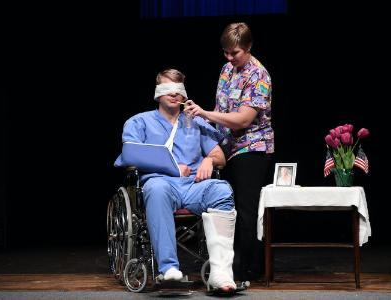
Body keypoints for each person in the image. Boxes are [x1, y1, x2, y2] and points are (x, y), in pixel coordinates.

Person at [114, 69, 237, 291]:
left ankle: (221, 272)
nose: (173, 94)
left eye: (178, 89)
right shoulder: (139, 122)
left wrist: (209, 160)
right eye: (167, 89)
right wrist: (170, 167)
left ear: (184, 94)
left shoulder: (196, 123)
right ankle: (169, 268)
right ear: (157, 93)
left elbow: (220, 156)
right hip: (160, 184)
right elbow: (131, 155)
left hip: (193, 187)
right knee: (158, 189)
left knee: (221, 190)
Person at [184, 22, 274, 281]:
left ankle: (245, 270)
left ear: (249, 47)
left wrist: (205, 113)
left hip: (252, 148)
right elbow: (220, 110)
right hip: (227, 148)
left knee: (247, 212)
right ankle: (228, 266)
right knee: (227, 208)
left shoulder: (259, 75)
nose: (229, 57)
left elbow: (244, 119)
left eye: (235, 52)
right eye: (226, 52)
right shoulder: (227, 70)